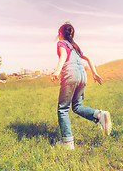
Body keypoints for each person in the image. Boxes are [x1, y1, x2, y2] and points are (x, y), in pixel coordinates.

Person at [51, 22, 112, 150]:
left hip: (71, 75)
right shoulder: (75, 47)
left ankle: (67, 143)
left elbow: (63, 55)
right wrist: (94, 74)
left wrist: (57, 71)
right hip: (83, 76)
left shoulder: (61, 43)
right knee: (77, 106)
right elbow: (89, 58)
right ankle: (99, 115)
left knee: (63, 109)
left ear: (60, 33)